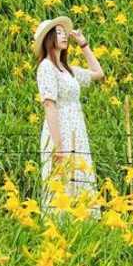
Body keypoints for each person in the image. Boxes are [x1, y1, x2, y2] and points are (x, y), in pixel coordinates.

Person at [32, 15, 105, 219]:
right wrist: (58, 146)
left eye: (65, 33)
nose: (64, 36)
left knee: (79, 176)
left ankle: (82, 224)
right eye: (59, 33)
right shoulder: (46, 67)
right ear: (48, 39)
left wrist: (83, 44)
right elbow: (49, 105)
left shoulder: (67, 70)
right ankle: (61, 230)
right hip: (60, 131)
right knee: (62, 181)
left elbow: (98, 73)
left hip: (77, 130)